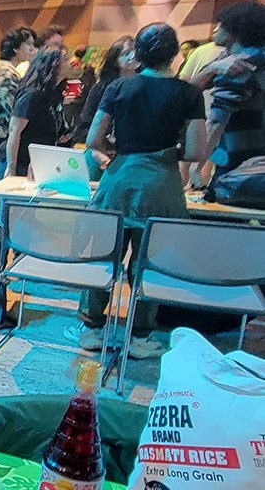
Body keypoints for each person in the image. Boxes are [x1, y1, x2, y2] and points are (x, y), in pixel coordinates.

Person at [81, 23, 205, 358]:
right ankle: (139, 337)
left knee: (104, 255)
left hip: (118, 181)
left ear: (138, 53)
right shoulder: (189, 94)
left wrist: (121, 147)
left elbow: (94, 138)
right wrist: (165, 152)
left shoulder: (120, 87)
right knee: (148, 263)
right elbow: (195, 150)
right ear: (175, 53)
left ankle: (91, 329)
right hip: (162, 185)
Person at [189, 2, 265, 191]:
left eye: (221, 25)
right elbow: (191, 89)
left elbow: (216, 122)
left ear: (235, 33)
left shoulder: (239, 66)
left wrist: (195, 168)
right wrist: (214, 67)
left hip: (240, 165)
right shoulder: (245, 57)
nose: (215, 29)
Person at [0, 27, 36, 232]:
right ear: (16, 48)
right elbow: (14, 109)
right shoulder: (6, 73)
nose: (32, 49)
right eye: (28, 45)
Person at [5, 47, 74, 178]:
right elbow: (14, 131)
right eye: (65, 59)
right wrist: (11, 168)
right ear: (53, 65)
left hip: (40, 162)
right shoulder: (33, 94)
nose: (70, 62)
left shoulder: (54, 92)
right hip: (22, 163)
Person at [74, 36, 137, 146]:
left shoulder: (144, 83)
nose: (133, 56)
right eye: (126, 53)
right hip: (106, 147)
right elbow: (84, 126)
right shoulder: (101, 88)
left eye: (135, 51)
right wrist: (106, 137)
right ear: (115, 60)